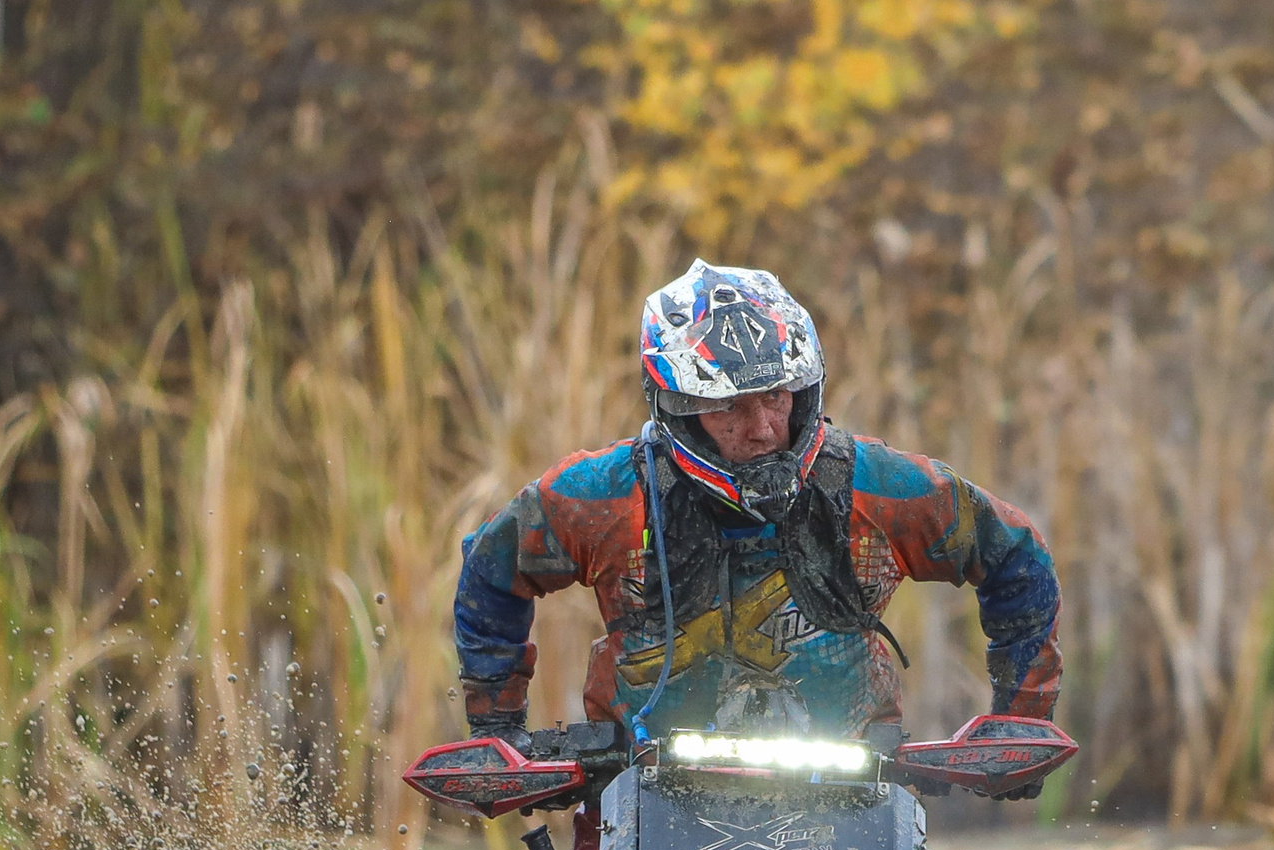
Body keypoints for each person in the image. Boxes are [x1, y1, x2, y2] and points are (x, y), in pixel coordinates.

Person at [452, 261, 1062, 781]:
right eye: (729, 408)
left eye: (776, 396)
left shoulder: (879, 488)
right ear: (679, 409)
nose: (764, 428)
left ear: (806, 388)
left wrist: (1021, 719)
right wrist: (499, 732)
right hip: (638, 789)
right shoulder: (600, 498)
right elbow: (492, 570)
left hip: (854, 787)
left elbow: (1014, 554)